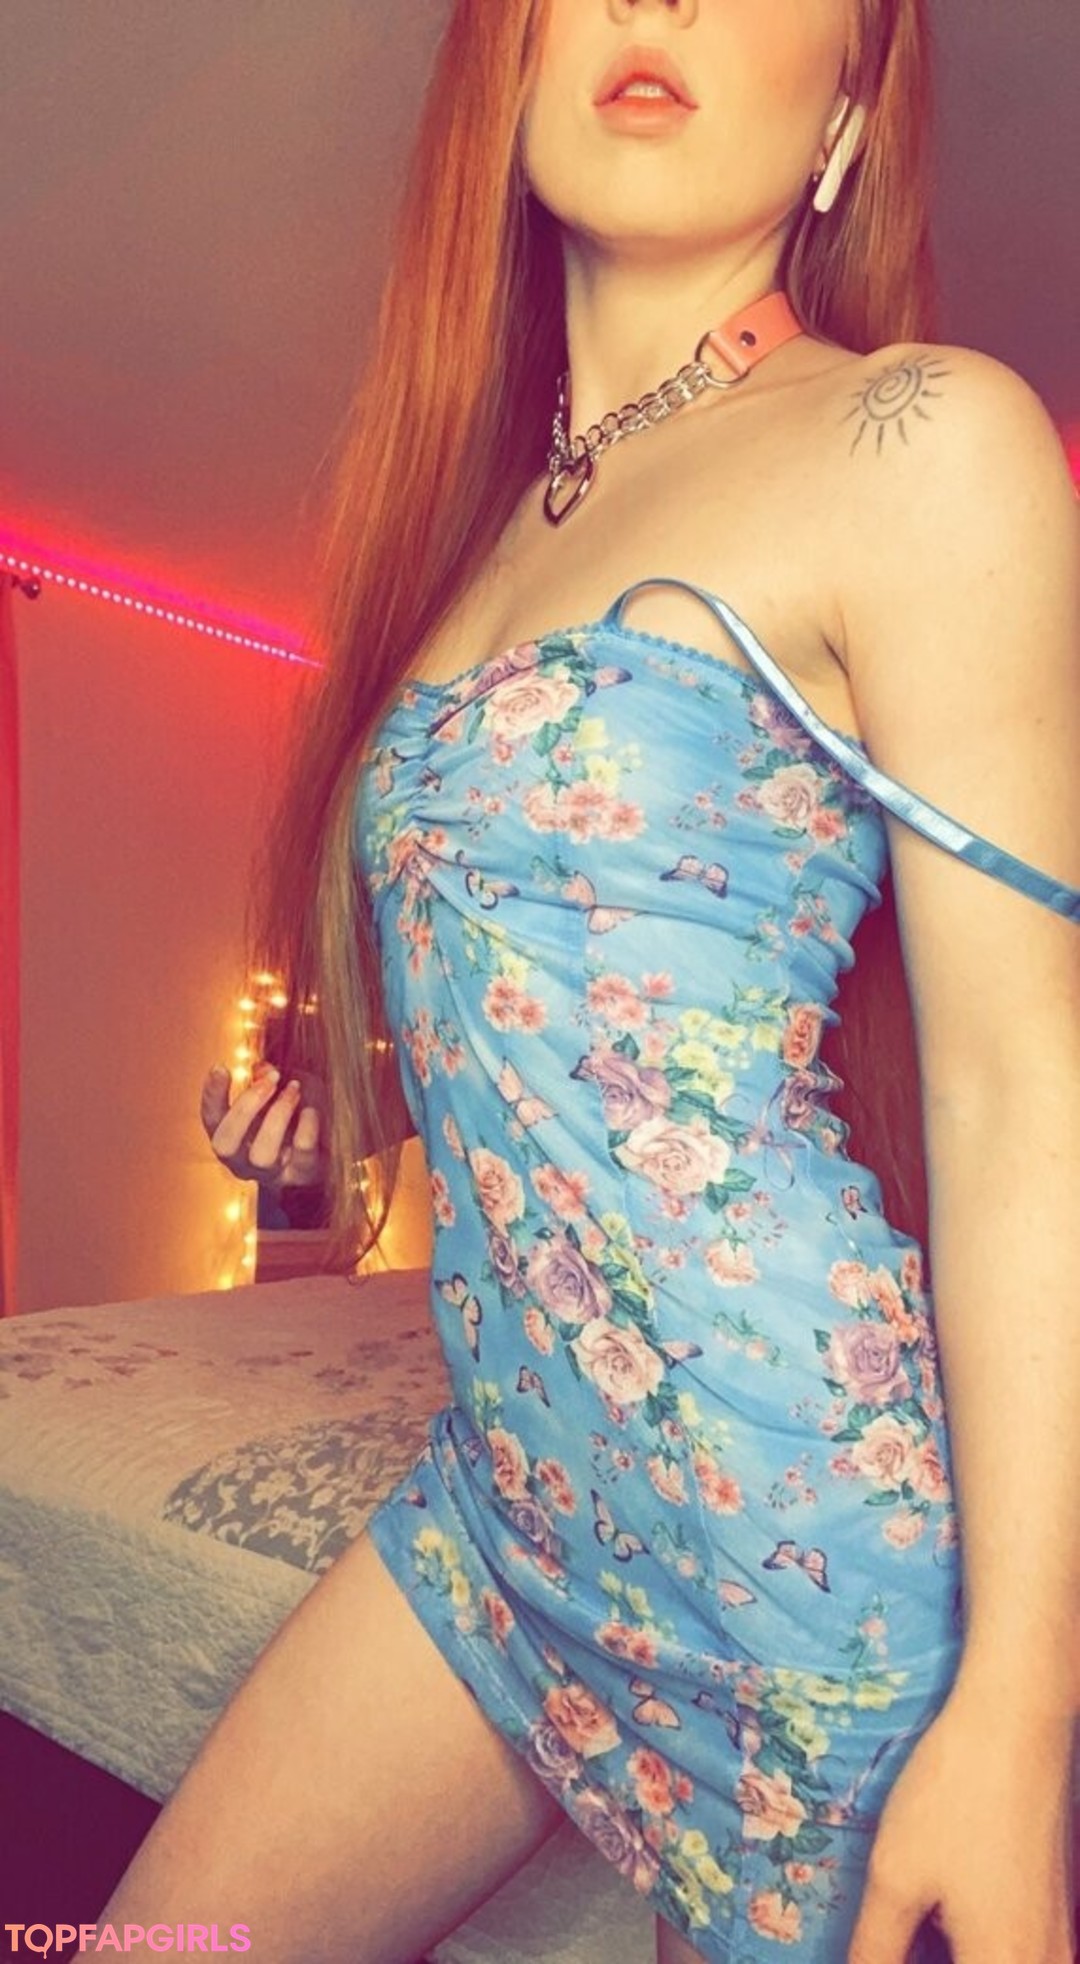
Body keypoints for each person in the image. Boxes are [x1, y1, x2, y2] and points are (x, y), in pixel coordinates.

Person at [107, 2, 1080, 1960]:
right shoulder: (475, 531)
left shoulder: (919, 438)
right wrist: (348, 1110)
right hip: (503, 1515)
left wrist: (1018, 1717)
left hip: (797, 1573)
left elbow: (1019, 1096)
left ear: (855, 104)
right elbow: (568, 1011)